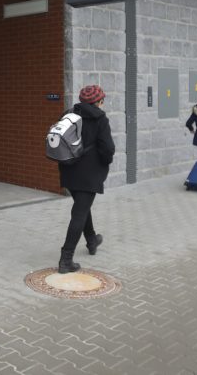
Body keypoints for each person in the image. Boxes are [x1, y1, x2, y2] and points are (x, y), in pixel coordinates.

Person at [57, 84, 116, 274]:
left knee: (82, 206)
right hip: (89, 173)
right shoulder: (100, 119)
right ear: (98, 101)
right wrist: (105, 162)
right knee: (79, 212)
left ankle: (91, 240)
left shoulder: (69, 113)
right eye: (102, 100)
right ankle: (66, 260)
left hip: (68, 169)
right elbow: (107, 148)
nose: (102, 103)